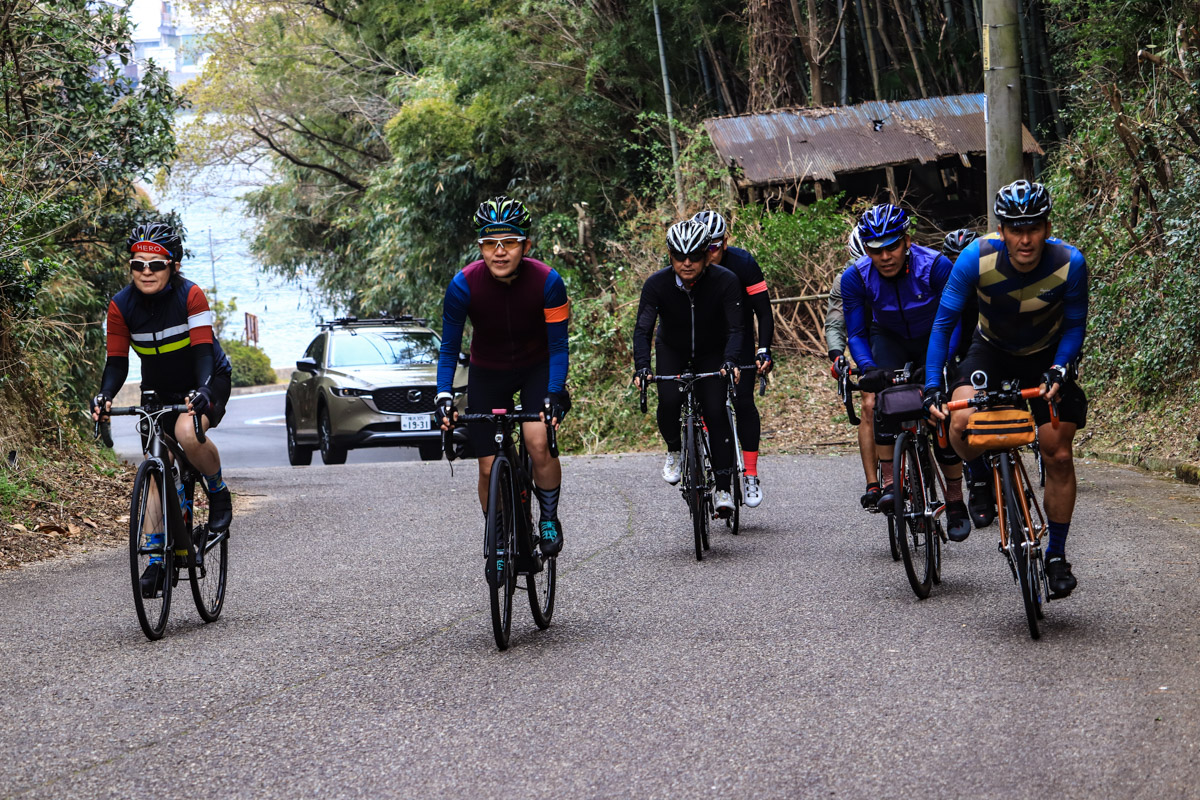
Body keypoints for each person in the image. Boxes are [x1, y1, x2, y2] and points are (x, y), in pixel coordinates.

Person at [925, 180, 1088, 598]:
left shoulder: (1070, 263)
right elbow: (944, 324)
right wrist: (931, 386)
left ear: (1047, 226)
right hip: (990, 352)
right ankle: (981, 476)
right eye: (1015, 228)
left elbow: (1073, 328)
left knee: (1059, 452)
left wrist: (1060, 368)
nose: (1025, 238)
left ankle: (1055, 555)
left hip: (1046, 357)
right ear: (1002, 230)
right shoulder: (975, 259)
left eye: (1034, 227)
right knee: (961, 423)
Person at [91, 222, 234, 599]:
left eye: (156, 265)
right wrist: (105, 395)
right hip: (158, 390)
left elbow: (203, 351)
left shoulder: (191, 296)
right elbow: (117, 363)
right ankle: (155, 559)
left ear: (173, 266)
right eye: (138, 265)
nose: (146, 272)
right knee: (157, 467)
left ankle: (218, 493)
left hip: (207, 378)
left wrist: (203, 390)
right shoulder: (121, 305)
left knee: (188, 432)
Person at [435, 197, 570, 556]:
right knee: (486, 466)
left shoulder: (548, 282)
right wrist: (443, 395)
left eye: (509, 242)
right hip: (488, 372)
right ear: (479, 245)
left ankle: (548, 518)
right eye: (489, 242)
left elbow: (558, 348)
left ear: (526, 245)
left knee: (537, 440)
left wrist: (555, 392)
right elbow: (449, 350)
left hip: (536, 369)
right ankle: (497, 534)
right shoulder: (463, 285)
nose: (499, 251)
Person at [840, 203, 971, 540]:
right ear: (866, 249)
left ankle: (955, 501)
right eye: (876, 250)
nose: (885, 256)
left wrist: (942, 362)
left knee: (939, 412)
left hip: (935, 334)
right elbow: (856, 333)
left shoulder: (936, 266)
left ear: (907, 241)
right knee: (883, 402)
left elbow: (954, 320)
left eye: (892, 246)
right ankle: (889, 483)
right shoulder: (855, 277)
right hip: (890, 338)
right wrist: (868, 368)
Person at [633, 218, 744, 517]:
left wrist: (730, 360)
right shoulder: (656, 284)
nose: (687, 263)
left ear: (707, 254)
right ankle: (674, 448)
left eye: (695, 256)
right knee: (669, 400)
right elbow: (643, 329)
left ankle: (723, 488)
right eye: (679, 256)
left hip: (712, 351)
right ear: (669, 255)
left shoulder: (725, 281)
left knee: (715, 410)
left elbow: (736, 329)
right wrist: (641, 367)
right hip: (672, 348)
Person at [692, 210, 774, 507]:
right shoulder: (688, 264)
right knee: (705, 407)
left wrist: (764, 348)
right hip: (703, 344)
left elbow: (763, 312)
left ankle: (750, 474)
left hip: (738, 341)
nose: (707, 254)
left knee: (742, 403)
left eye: (713, 247)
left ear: (725, 242)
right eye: (704, 247)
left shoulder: (743, 263)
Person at [941, 228, 995, 529]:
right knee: (961, 411)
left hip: (992, 347)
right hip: (962, 353)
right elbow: (946, 331)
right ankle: (977, 474)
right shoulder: (948, 285)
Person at [826, 226, 880, 508]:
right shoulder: (843, 281)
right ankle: (873, 483)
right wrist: (837, 355)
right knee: (869, 404)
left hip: (899, 335)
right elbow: (835, 323)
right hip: (865, 342)